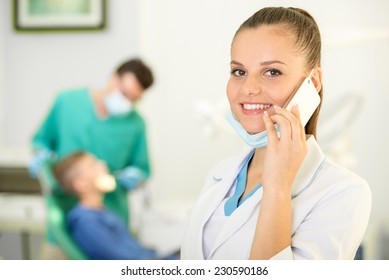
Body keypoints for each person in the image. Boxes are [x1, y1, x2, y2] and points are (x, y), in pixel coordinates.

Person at [181, 7, 371, 260]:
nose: (248, 88)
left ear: (312, 83)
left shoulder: (344, 192)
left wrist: (278, 187)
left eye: (272, 72)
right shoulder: (220, 174)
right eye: (239, 71)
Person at [29, 58, 154, 259]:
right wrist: (40, 157)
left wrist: (135, 176)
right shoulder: (67, 102)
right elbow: (41, 141)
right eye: (124, 94)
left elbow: (142, 169)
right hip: (67, 213)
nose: (127, 103)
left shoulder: (136, 124)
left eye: (134, 99)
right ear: (114, 78)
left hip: (110, 216)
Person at [52, 151, 167, 260]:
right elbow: (123, 260)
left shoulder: (102, 212)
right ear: (81, 184)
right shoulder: (86, 221)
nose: (103, 165)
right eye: (93, 164)